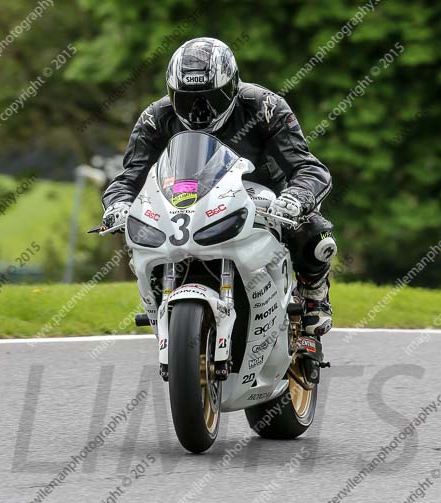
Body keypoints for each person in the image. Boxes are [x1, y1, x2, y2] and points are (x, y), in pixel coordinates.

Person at [102, 37, 337, 336]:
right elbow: (129, 177)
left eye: (211, 98)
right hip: (188, 201)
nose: (200, 111)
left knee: (315, 234)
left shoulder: (265, 106)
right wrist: (118, 205)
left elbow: (308, 167)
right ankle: (164, 302)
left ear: (233, 86)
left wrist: (295, 197)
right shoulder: (155, 118)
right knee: (142, 238)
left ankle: (314, 295)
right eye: (187, 100)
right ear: (171, 94)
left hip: (266, 197)